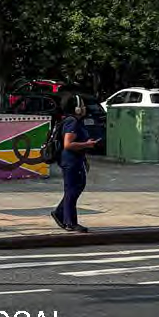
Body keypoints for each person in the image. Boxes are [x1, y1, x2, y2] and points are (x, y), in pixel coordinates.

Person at [51, 94, 102, 232]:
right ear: (77, 108)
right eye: (82, 105)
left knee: (76, 187)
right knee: (72, 190)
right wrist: (87, 144)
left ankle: (60, 213)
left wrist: (84, 158)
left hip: (75, 159)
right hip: (70, 161)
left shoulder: (73, 121)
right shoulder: (72, 122)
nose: (85, 108)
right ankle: (70, 222)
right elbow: (68, 144)